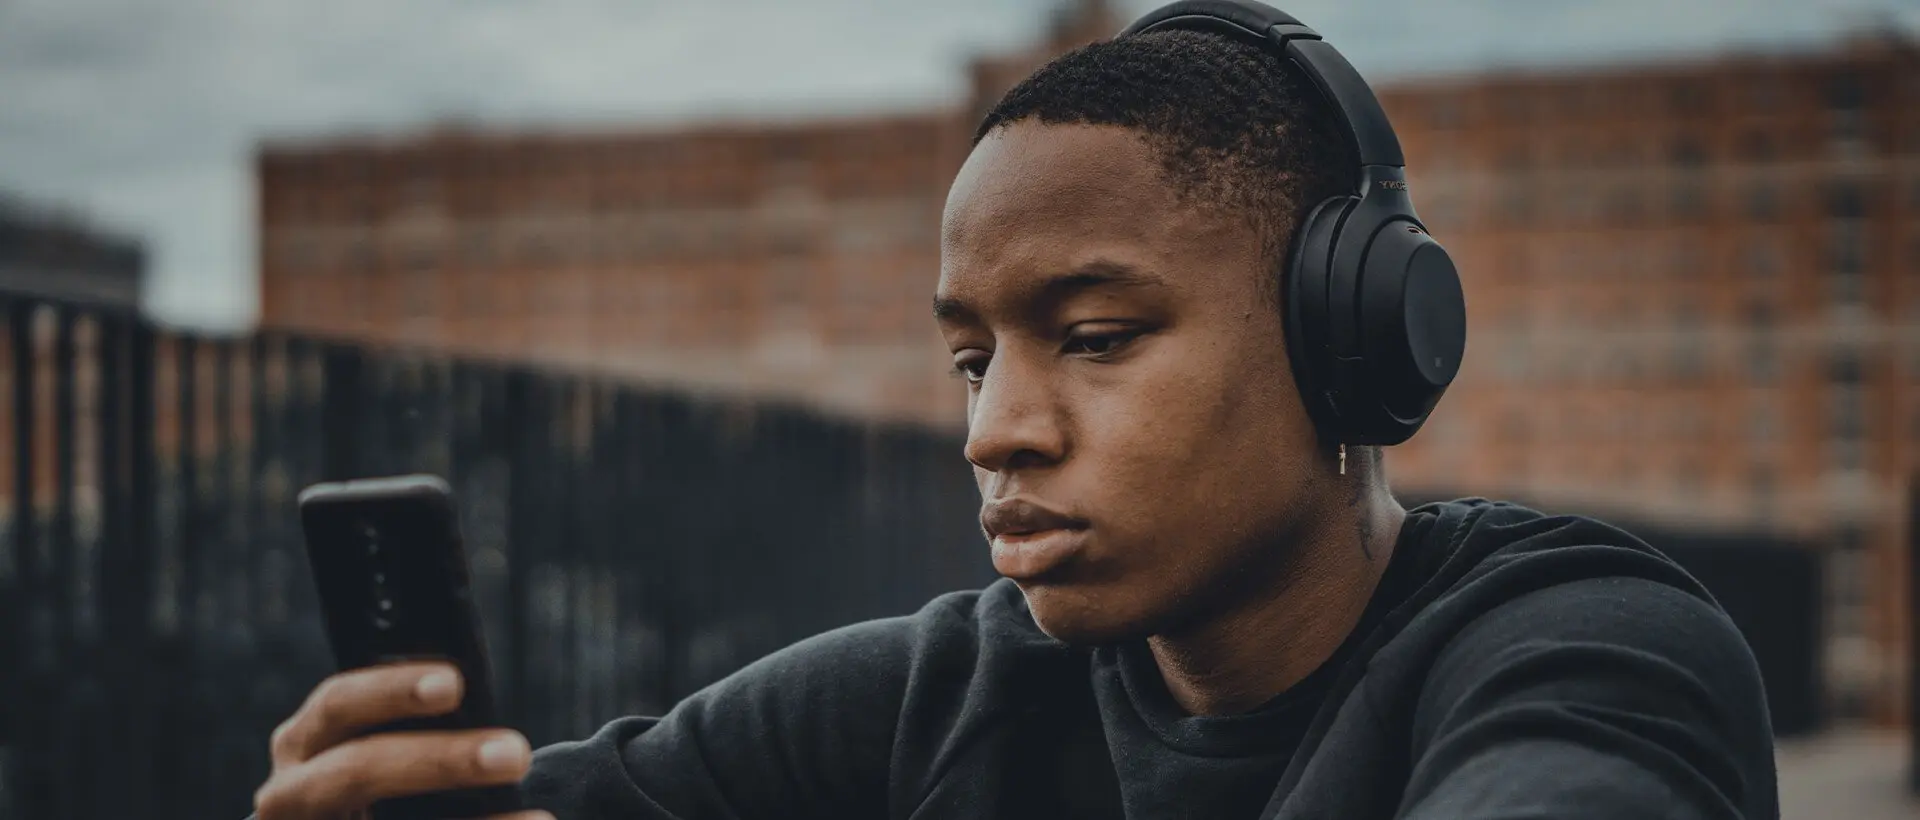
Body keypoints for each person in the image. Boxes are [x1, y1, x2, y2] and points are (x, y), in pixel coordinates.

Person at [249, 2, 1779, 818]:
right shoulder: (943, 692)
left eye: (1096, 337)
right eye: (974, 358)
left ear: (1351, 342)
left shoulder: (1586, 649)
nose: (996, 432)